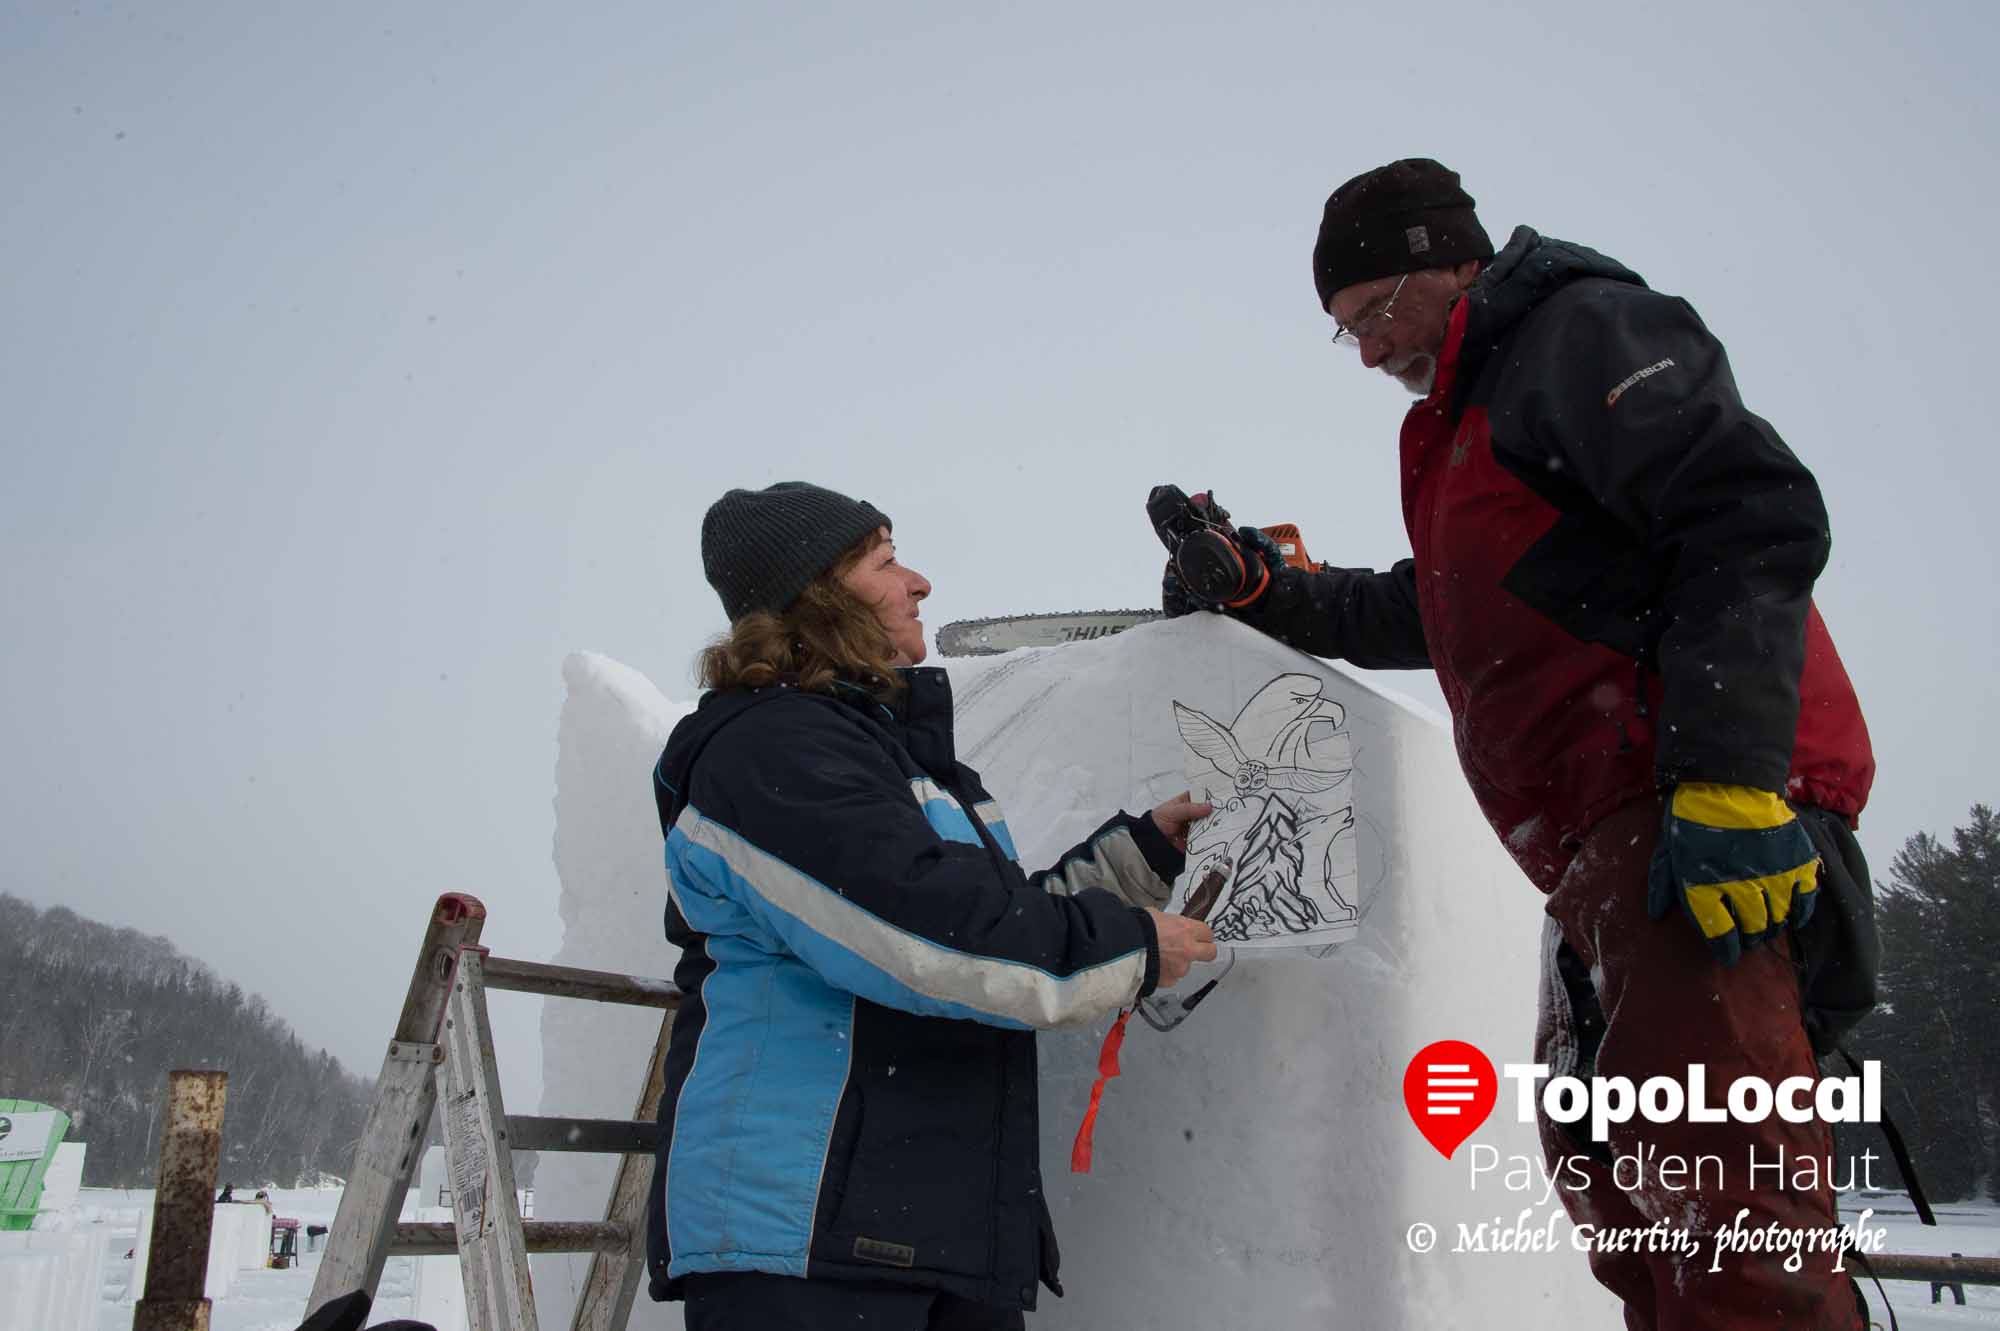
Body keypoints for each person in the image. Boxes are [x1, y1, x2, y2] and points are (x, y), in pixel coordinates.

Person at [1157, 160, 1876, 1329]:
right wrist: (1267, 588)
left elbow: (1749, 514)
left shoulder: (1579, 332)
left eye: (1374, 311)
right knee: (1611, 1174)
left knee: (1723, 1197)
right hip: (1592, 851)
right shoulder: (1449, 428)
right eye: (1341, 333)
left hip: (1686, 810)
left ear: (1449, 259)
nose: (1367, 349)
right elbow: (1436, 607)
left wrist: (1728, 781)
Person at [645, 481, 1218, 1330]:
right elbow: (916, 937)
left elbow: (985, 918)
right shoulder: (767, 751)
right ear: (822, 601)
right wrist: (1129, 949)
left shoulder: (900, 762)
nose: (919, 583)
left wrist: (1137, 865)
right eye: (886, 562)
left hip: (925, 1220)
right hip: (803, 1239)